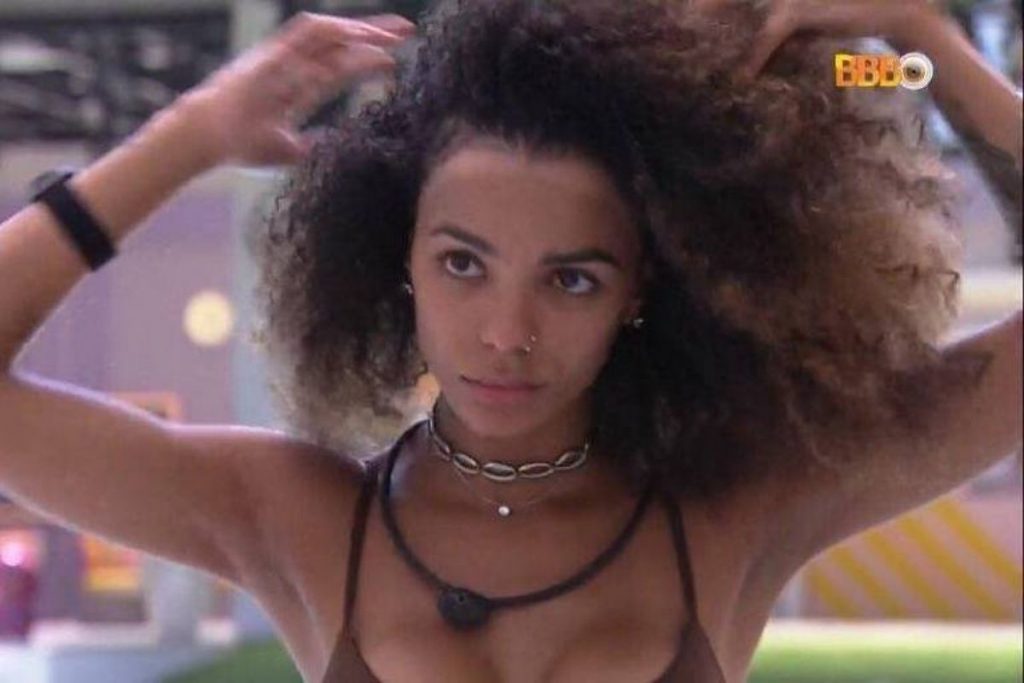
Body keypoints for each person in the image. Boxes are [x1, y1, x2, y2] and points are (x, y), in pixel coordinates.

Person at [0, 0, 1020, 681]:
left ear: (638, 291)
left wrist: (926, 48)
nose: (506, 333)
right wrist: (187, 137)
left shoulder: (733, 510)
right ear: (398, 258)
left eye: (571, 278)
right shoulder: (301, 519)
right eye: (462, 262)